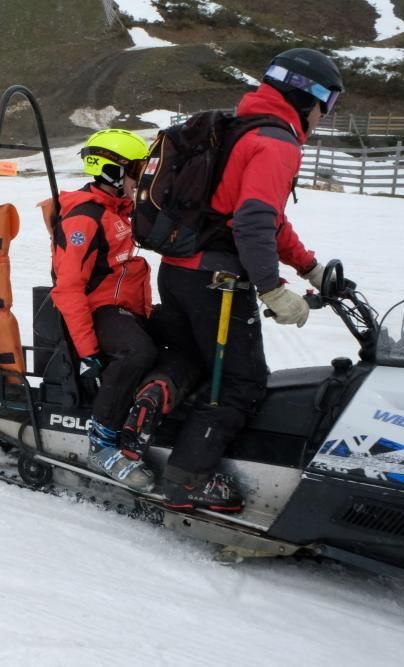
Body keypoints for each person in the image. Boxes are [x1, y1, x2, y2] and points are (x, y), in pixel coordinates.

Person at [151, 48, 343, 512]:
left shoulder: (242, 126)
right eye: (328, 104)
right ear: (306, 97)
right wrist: (273, 289)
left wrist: (309, 266)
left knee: (193, 364)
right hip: (215, 282)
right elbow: (254, 222)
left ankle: (152, 437)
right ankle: (187, 478)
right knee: (241, 382)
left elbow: (263, 219)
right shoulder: (276, 143)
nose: (324, 116)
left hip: (178, 271)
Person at [50, 129, 157, 493]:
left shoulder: (120, 208)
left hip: (126, 307)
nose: (142, 178)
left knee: (183, 330)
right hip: (98, 311)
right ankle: (102, 438)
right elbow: (68, 289)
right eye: (136, 171)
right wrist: (89, 352)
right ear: (112, 172)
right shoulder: (83, 219)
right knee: (137, 352)